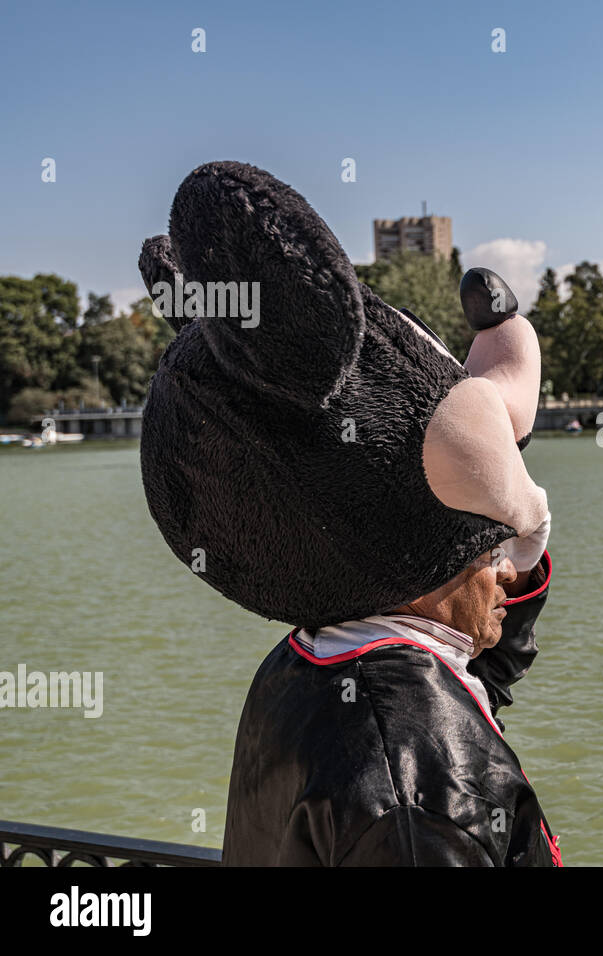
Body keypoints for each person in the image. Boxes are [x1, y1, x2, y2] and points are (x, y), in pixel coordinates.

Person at [137, 162, 560, 866]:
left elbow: (476, 669)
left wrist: (498, 503)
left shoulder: (308, 662)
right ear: (415, 549)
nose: (508, 568)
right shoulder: (417, 786)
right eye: (492, 549)